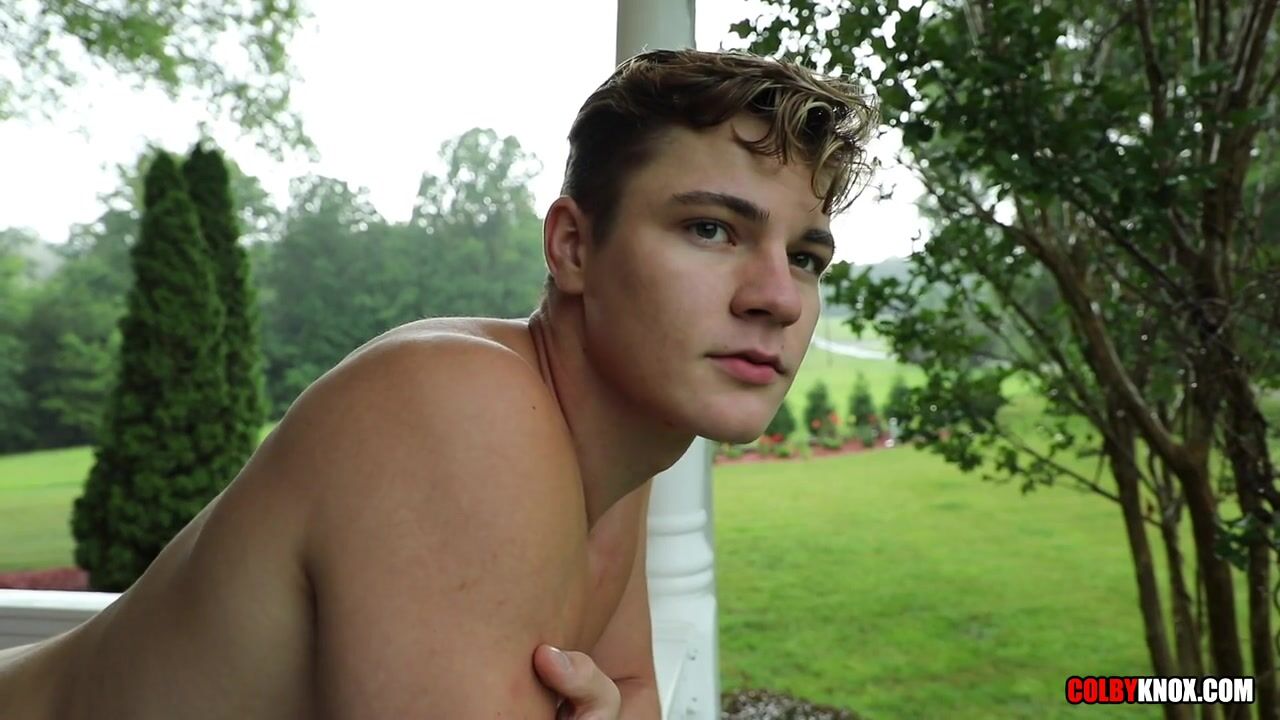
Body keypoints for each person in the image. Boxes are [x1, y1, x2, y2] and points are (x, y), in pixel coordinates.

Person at [0, 47, 874, 718]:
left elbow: (632, 692)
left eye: (805, 257)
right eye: (712, 229)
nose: (777, 297)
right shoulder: (463, 409)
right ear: (573, 246)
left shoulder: (611, 458)